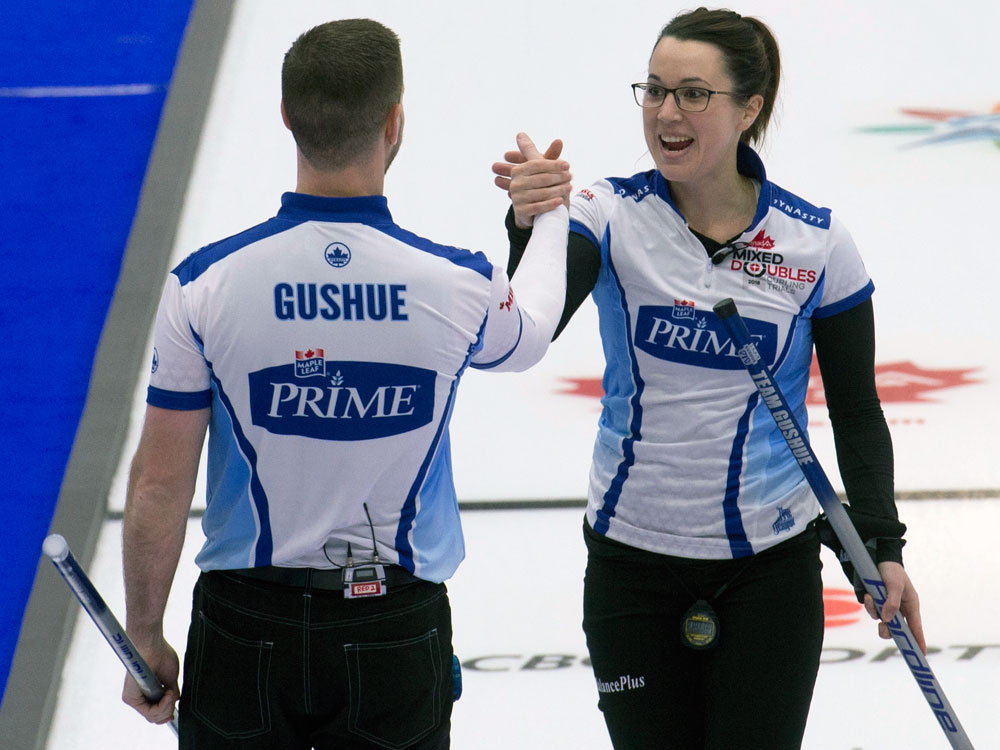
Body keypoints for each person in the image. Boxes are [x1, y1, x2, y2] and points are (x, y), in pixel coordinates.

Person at [120, 18, 569, 749]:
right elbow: (536, 330)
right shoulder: (456, 284)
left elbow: (158, 486)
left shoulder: (205, 285)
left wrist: (144, 634)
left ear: (286, 118)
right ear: (394, 123)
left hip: (242, 629)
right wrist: (545, 213)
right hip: (390, 625)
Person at [492, 7, 924, 749]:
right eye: (654, 90)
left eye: (694, 94)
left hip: (769, 569)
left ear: (748, 108)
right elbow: (529, 325)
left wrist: (881, 544)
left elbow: (856, 410)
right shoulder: (604, 213)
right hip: (633, 563)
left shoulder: (816, 245)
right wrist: (532, 227)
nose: (666, 113)